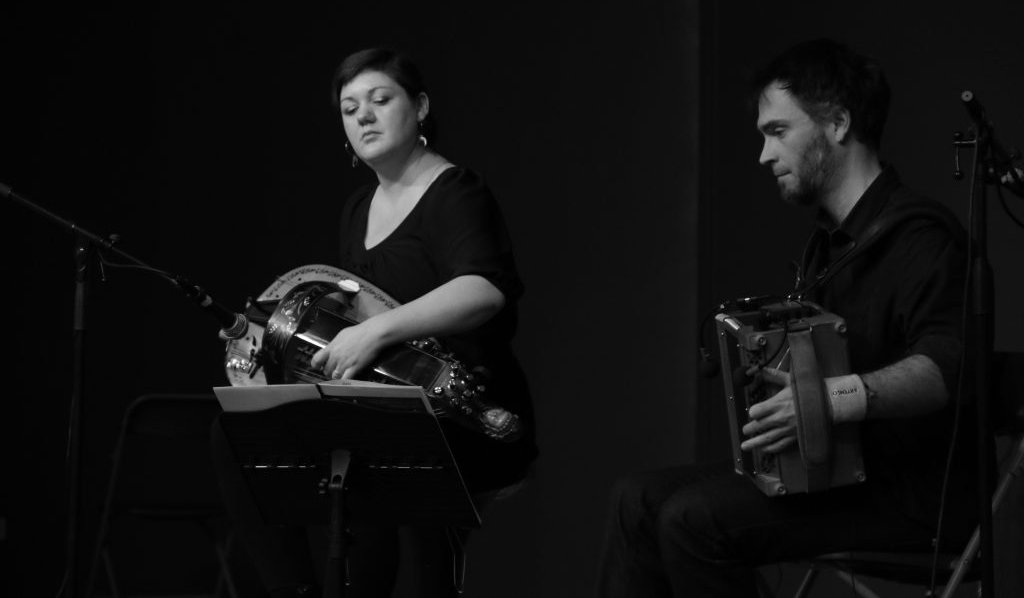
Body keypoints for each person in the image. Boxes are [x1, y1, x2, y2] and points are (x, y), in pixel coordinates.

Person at [596, 39, 977, 597]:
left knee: (693, 520)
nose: (763, 155)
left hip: (913, 492)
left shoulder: (924, 239)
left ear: (839, 123)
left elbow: (948, 368)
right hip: (833, 473)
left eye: (778, 132)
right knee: (637, 499)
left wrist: (827, 399)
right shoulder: (828, 246)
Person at [213, 47, 537, 597]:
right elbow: (350, 313)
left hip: (463, 408)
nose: (363, 115)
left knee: (396, 503)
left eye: (380, 100)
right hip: (378, 405)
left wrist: (376, 332)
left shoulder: (456, 191)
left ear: (421, 107)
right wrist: (269, 337)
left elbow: (484, 290)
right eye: (349, 107)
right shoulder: (358, 209)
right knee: (235, 430)